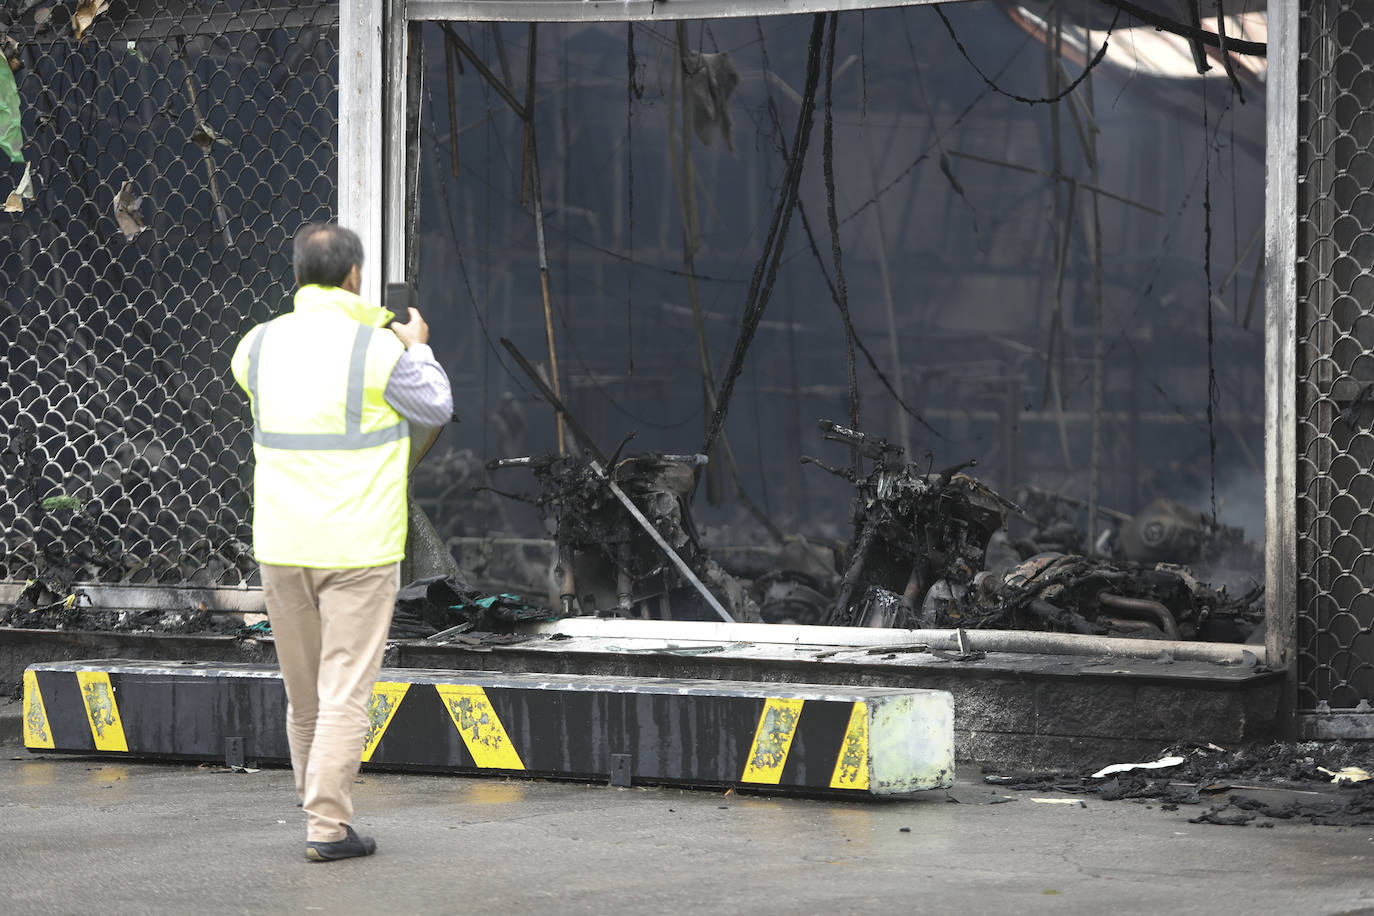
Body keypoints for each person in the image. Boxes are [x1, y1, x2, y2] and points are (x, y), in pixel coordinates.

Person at [230, 223, 453, 862]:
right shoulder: (376, 350)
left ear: (299, 275)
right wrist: (416, 347)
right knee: (345, 693)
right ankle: (326, 828)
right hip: (357, 547)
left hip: (281, 542)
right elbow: (435, 405)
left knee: (305, 695)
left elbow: (271, 395)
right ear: (354, 277)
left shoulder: (258, 345)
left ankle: (316, 804)